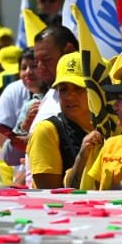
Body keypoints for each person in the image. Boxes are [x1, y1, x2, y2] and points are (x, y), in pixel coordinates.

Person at [27, 53, 98, 189]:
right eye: (63, 89)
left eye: (78, 88)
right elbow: (51, 198)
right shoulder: (46, 131)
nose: (68, 96)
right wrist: (82, 158)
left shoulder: (115, 128)